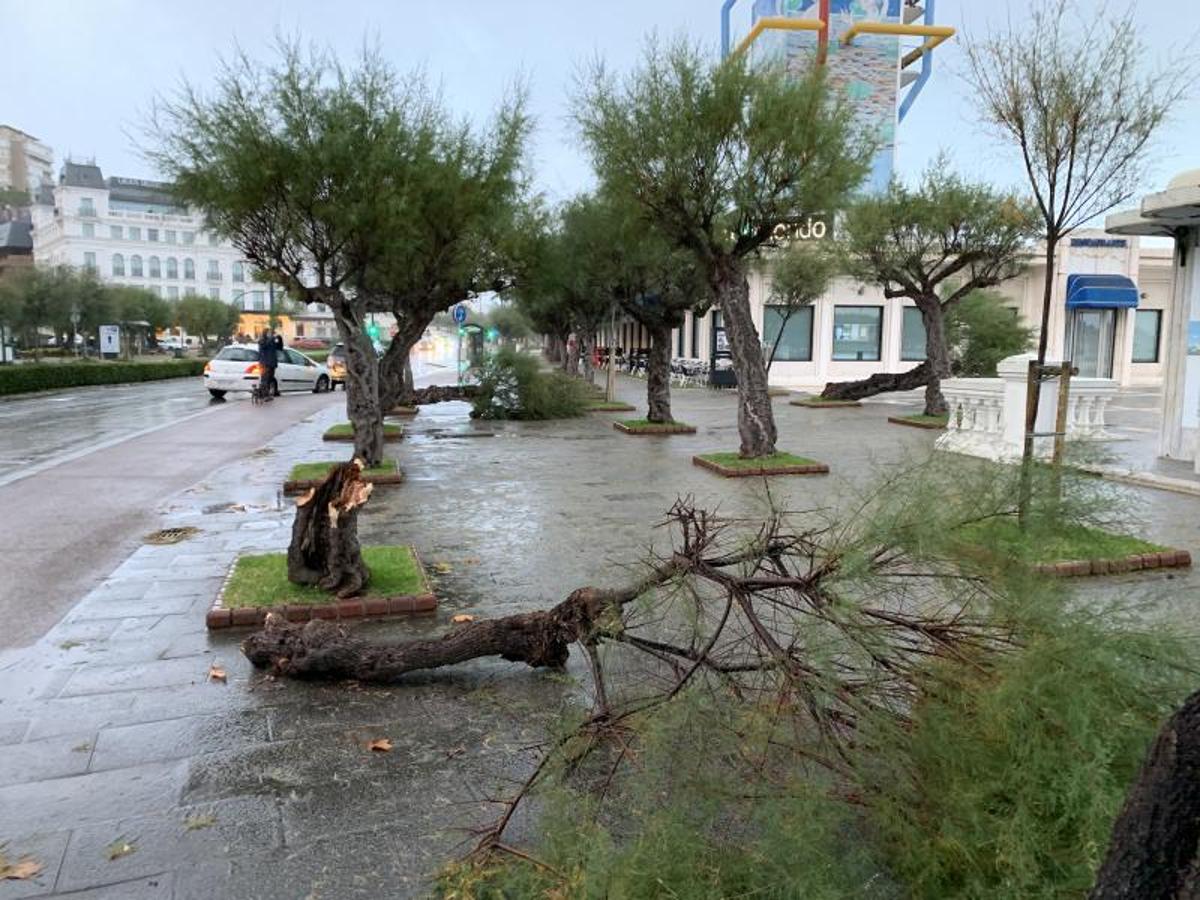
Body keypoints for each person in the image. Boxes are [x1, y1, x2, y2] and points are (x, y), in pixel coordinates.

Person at [257, 328, 281, 399]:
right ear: (265, 333)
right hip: (265, 363)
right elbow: (264, 346)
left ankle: (266, 395)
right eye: (269, 333)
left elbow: (279, 347)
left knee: (270, 379)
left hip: (272, 363)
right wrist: (271, 338)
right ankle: (263, 395)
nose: (271, 334)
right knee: (265, 379)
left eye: (271, 333)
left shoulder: (272, 340)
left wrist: (279, 338)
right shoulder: (262, 340)